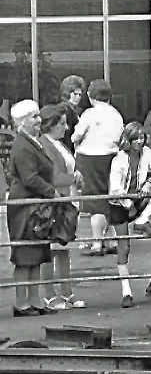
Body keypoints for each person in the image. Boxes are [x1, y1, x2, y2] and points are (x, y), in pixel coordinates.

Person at [108, 122, 151, 309]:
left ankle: (142, 221)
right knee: (124, 246)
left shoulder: (147, 153)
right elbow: (115, 188)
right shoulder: (119, 159)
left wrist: (149, 183)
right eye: (136, 139)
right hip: (119, 204)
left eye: (142, 138)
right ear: (128, 140)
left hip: (137, 198)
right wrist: (128, 204)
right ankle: (126, 291)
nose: (140, 142)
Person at [7, 101, 55, 316]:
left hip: (33, 204)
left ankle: (34, 300)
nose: (39, 120)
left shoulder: (30, 142)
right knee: (24, 255)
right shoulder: (23, 145)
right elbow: (30, 178)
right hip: (25, 206)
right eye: (34, 117)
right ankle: (21, 303)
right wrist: (53, 192)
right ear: (22, 122)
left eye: (38, 116)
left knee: (35, 255)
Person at [37, 104, 84, 311]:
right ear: (51, 125)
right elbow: (53, 176)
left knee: (63, 248)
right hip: (57, 203)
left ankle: (66, 292)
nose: (66, 128)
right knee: (51, 249)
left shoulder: (57, 144)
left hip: (68, 201)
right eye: (62, 124)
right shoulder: (45, 145)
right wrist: (73, 177)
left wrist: (75, 179)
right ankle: (50, 295)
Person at [71, 79, 123, 255]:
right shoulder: (116, 114)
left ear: (90, 96)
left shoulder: (89, 114)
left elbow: (75, 136)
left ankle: (97, 244)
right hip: (112, 156)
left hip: (90, 159)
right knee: (110, 198)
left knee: (95, 202)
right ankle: (113, 241)